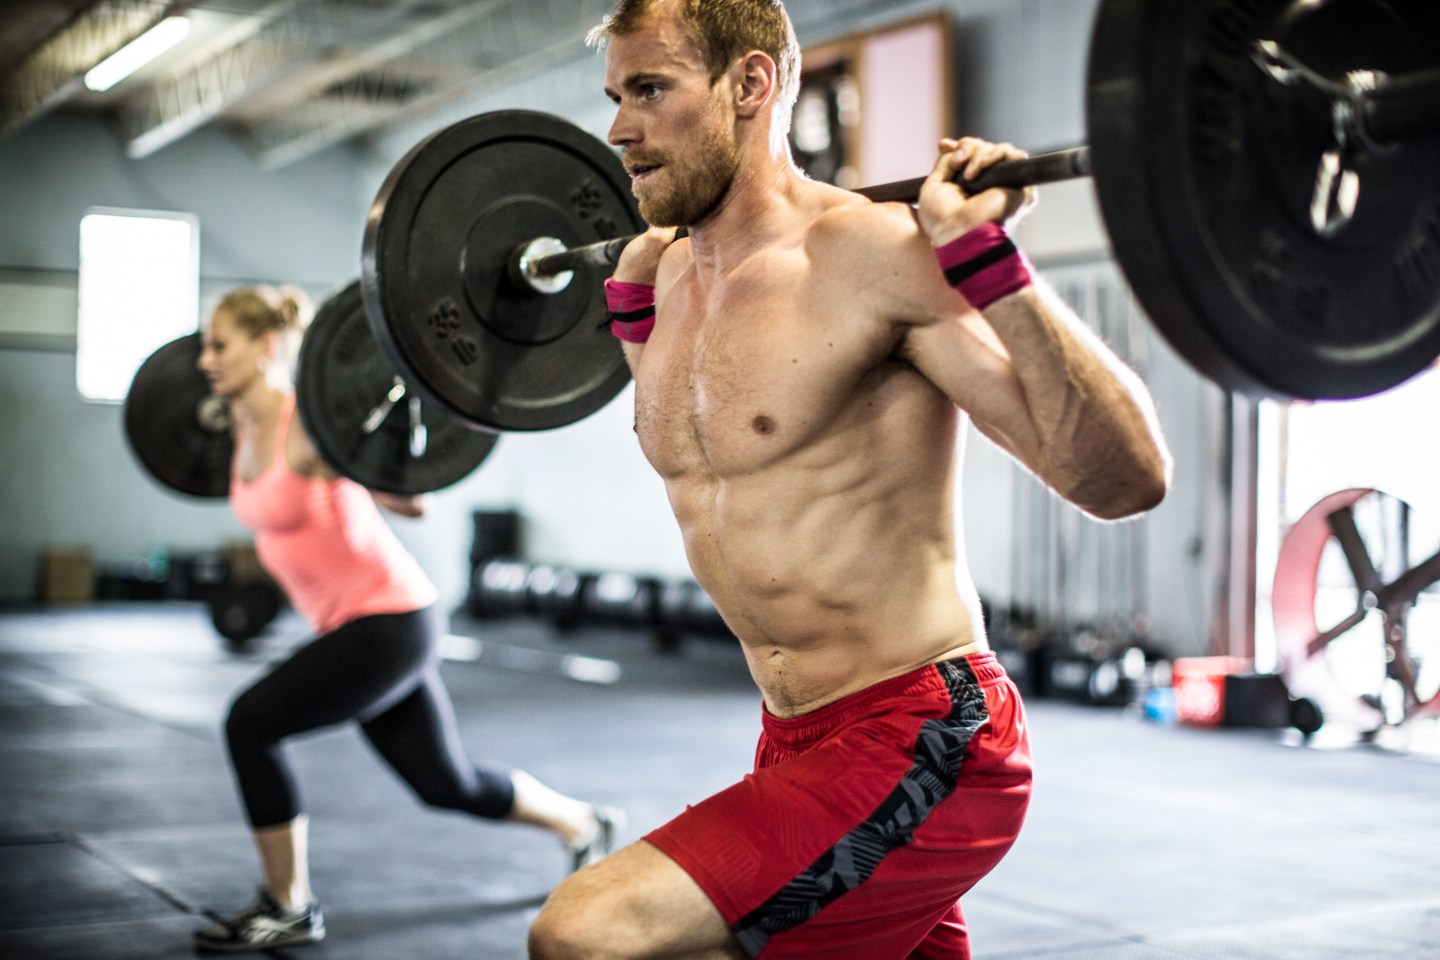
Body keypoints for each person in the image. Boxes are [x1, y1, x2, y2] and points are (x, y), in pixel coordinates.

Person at [529, 1, 1171, 958]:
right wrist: (630, 305)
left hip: (925, 733)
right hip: (790, 734)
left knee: (587, 936)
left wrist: (984, 259)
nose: (619, 128)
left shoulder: (870, 257)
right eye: (617, 96)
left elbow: (1124, 481)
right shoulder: (656, 283)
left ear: (750, 85)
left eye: (651, 90)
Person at [190, 285, 620, 953]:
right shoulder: (239, 424)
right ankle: (585, 823)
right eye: (204, 346)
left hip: (386, 621)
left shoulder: (307, 424)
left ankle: (289, 904)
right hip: (359, 625)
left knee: (250, 725)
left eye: (220, 345)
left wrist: (391, 450)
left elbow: (410, 502)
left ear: (265, 346)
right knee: (444, 783)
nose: (205, 360)